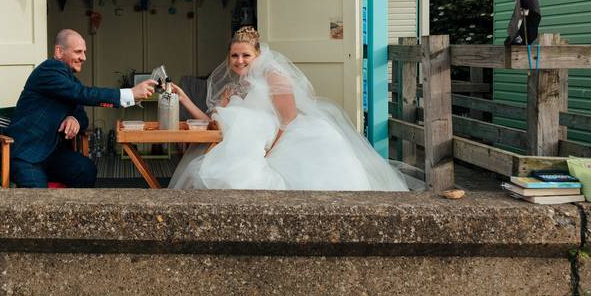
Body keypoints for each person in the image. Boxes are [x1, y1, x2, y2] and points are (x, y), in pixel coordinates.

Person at [168, 26, 413, 191]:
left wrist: (269, 152)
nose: (239, 61)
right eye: (234, 56)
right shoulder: (233, 88)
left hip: (286, 142)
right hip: (247, 146)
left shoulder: (274, 77)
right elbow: (212, 125)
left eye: (245, 55)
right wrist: (184, 98)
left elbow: (289, 120)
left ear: (258, 54)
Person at [5, 29, 156, 188]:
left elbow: (82, 116)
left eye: (84, 52)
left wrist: (74, 118)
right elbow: (83, 94)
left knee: (86, 169)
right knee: (39, 198)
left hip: (52, 153)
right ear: (59, 51)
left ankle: (73, 213)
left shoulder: (69, 79)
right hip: (27, 154)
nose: (83, 57)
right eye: (78, 52)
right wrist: (130, 93)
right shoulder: (48, 71)